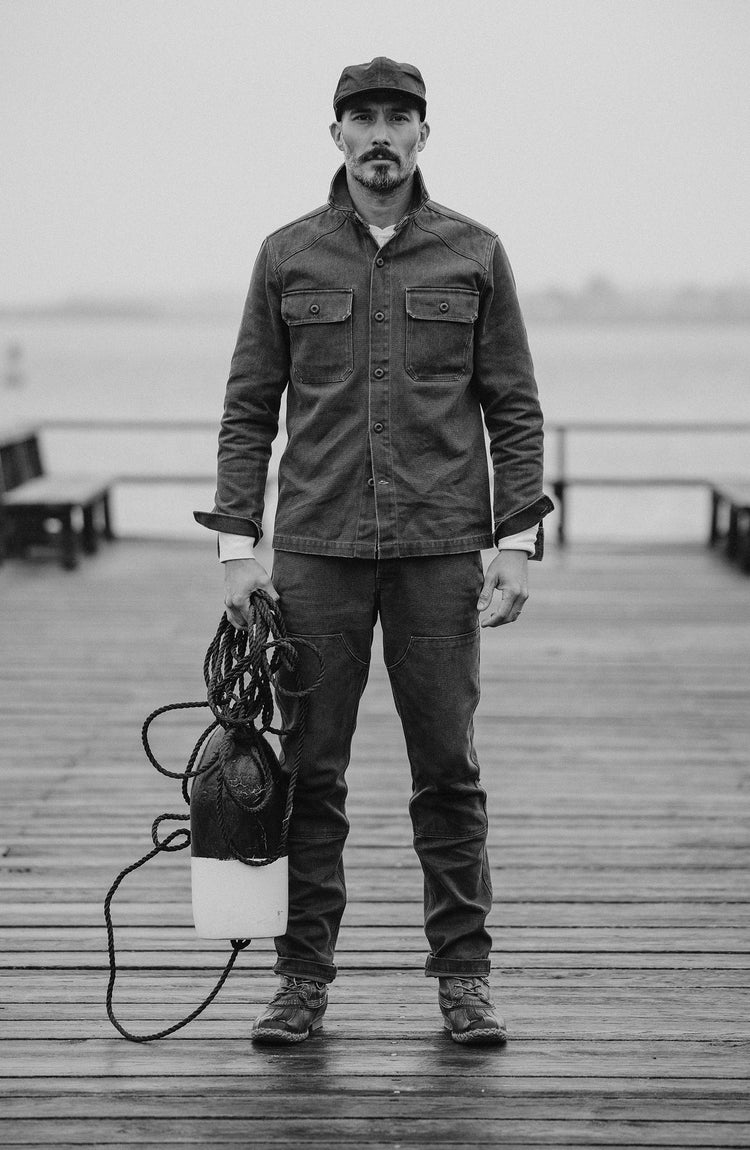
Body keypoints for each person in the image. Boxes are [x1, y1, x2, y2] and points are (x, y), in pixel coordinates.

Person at [195, 56, 553, 1045]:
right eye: (364, 118)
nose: (381, 134)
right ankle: (301, 981)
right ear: (338, 135)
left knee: (449, 771)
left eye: (400, 117)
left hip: (443, 549)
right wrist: (237, 547)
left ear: (424, 134)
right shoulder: (288, 255)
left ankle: (464, 982)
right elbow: (247, 410)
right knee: (310, 774)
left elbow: (515, 407)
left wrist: (516, 540)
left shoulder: (476, 254)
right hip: (317, 548)